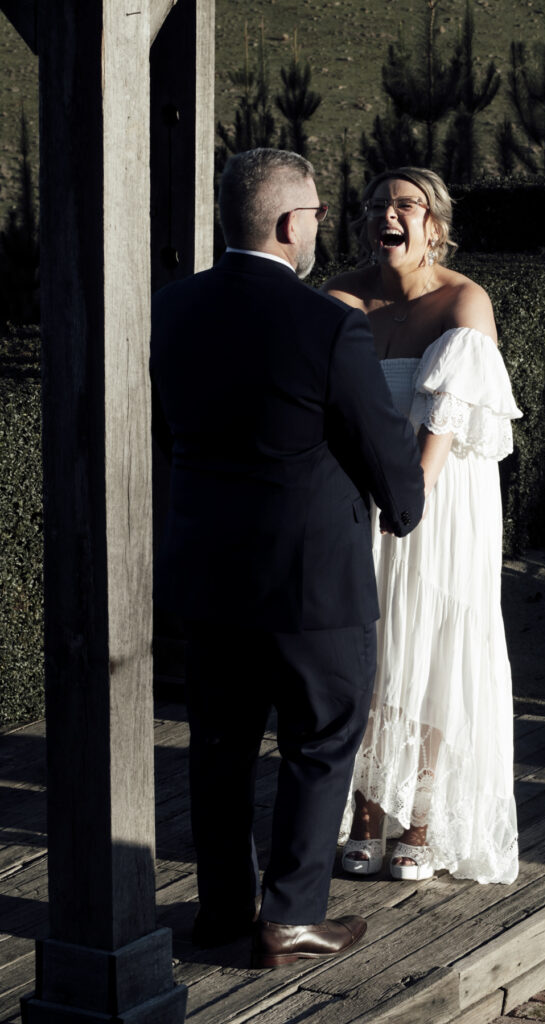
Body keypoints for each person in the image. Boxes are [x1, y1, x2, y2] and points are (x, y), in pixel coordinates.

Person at [150, 149, 424, 968]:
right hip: (315, 579)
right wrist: (404, 508)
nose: (316, 226)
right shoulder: (325, 321)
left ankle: (224, 913)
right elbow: (376, 440)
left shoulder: (175, 307)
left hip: (208, 568)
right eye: (311, 213)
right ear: (285, 224)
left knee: (220, 745)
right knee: (321, 737)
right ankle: (293, 915)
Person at [322, 166, 521, 885]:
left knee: (434, 649)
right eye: (377, 204)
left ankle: (423, 820)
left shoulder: (464, 301)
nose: (388, 213)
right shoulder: (341, 299)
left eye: (404, 203)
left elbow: (442, 426)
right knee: (369, 652)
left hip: (438, 502)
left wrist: (406, 500)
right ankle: (367, 813)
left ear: (434, 224)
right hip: (355, 493)